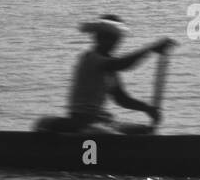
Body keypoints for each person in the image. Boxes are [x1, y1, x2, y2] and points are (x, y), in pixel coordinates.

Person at [38, 15, 174, 133]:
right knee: (107, 135)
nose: (110, 42)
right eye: (105, 38)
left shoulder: (109, 67)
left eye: (113, 39)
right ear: (97, 38)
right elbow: (123, 64)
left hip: (101, 120)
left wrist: (148, 109)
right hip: (82, 121)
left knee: (144, 130)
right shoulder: (92, 58)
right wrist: (151, 49)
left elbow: (121, 98)